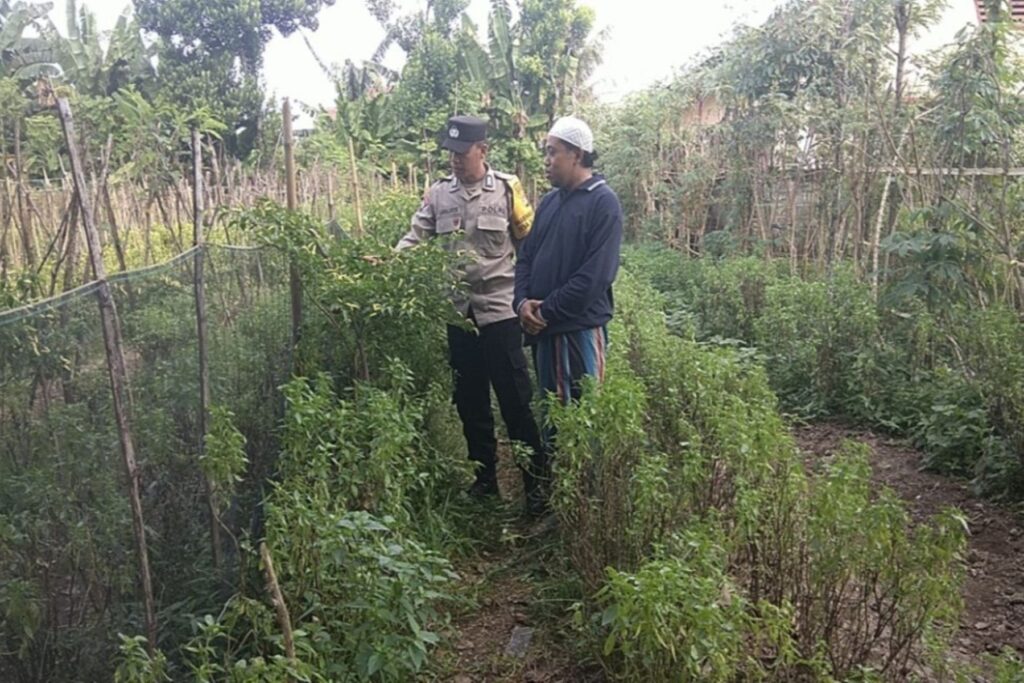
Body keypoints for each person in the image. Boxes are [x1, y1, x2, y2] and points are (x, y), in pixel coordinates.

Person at [397, 115, 548, 514]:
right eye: (450, 154)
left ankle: (536, 486)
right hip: (459, 315)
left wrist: (532, 297)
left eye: (462, 154)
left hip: (500, 311)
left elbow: (529, 247)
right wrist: (387, 264)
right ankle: (486, 481)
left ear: (483, 150)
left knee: (515, 400)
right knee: (470, 402)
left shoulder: (507, 190)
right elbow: (415, 238)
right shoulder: (438, 195)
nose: (455, 161)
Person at [514, 114, 623, 425]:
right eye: (546, 152)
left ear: (576, 154)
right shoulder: (549, 202)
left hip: (578, 331)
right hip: (543, 331)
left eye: (553, 152)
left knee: (581, 421)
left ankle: (581, 477)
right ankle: (553, 474)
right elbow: (526, 257)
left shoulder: (603, 203)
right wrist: (521, 303)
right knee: (552, 416)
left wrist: (546, 311)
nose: (546, 160)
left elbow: (595, 278)